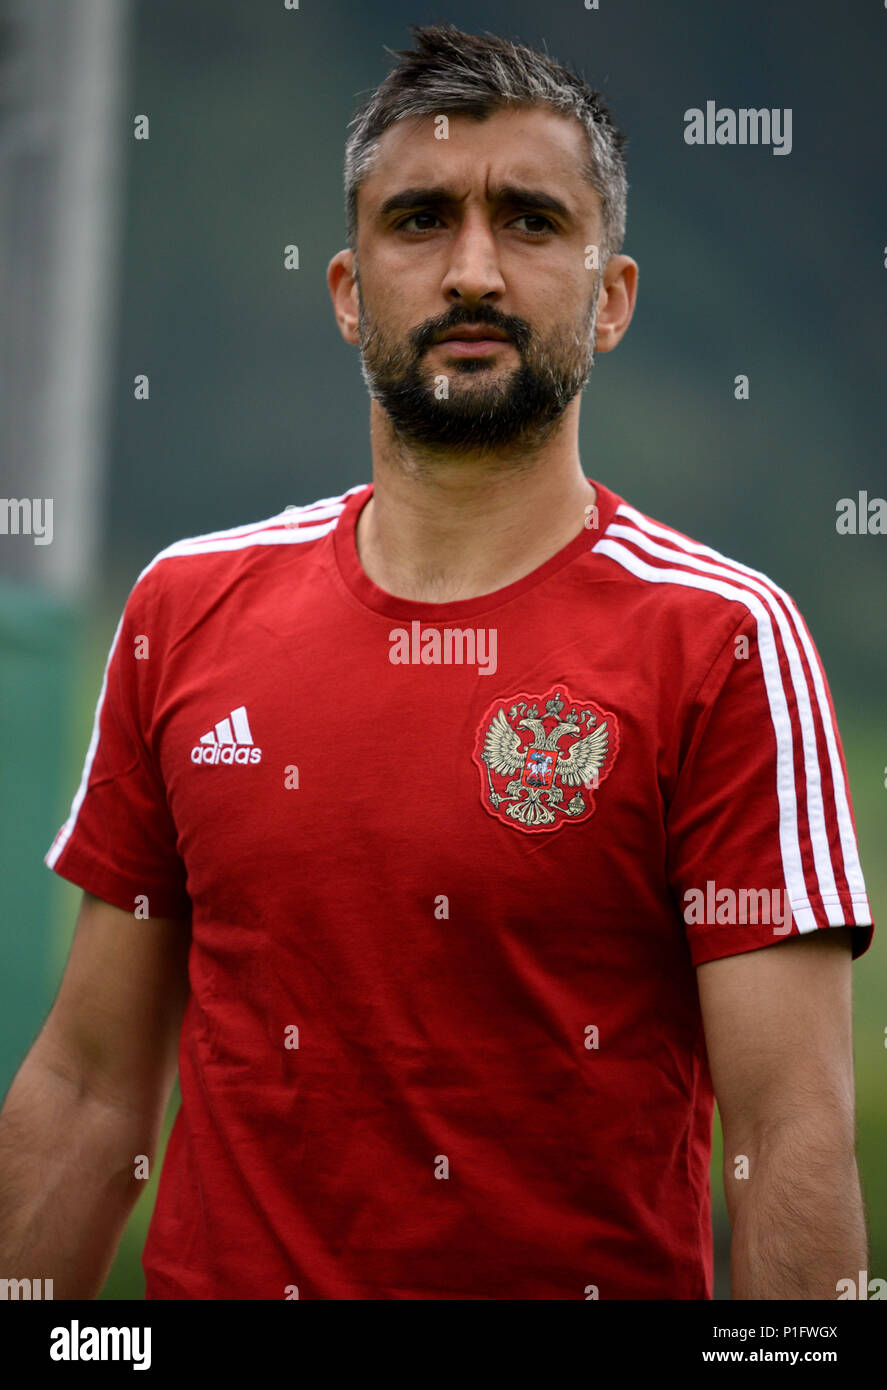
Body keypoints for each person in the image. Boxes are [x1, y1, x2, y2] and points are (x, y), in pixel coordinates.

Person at [0, 23, 874, 1301]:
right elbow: (84, 1090)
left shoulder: (725, 642)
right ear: (350, 289)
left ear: (610, 296)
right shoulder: (183, 608)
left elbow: (788, 1138)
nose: (471, 271)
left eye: (527, 221)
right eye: (420, 220)